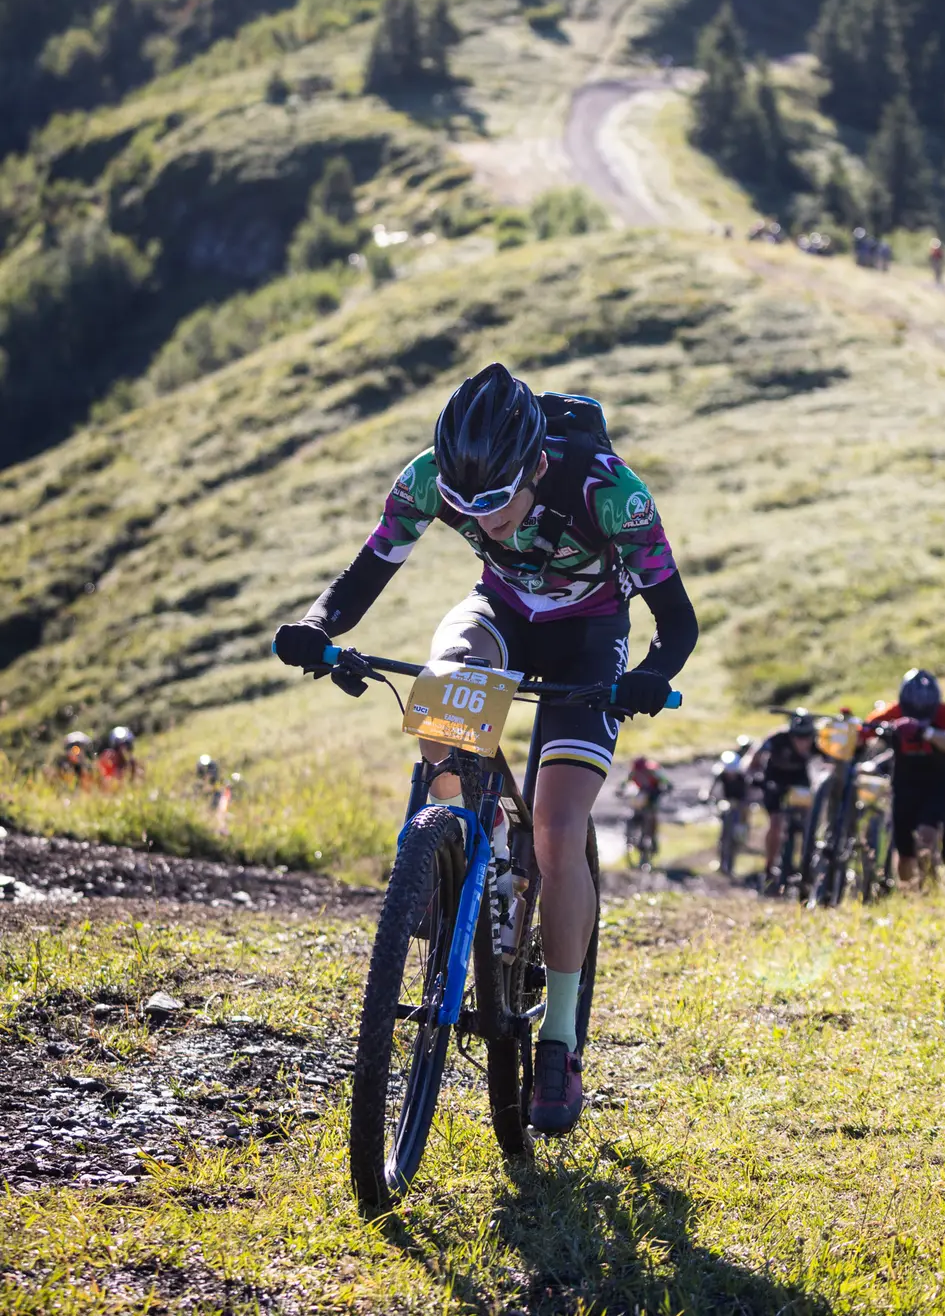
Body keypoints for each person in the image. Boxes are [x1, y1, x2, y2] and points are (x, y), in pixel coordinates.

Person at [272, 362, 698, 1137]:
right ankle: (450, 856)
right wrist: (318, 626)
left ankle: (562, 1039)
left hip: (589, 637)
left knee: (559, 831)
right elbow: (367, 570)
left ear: (535, 466)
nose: (483, 520)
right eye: (466, 509)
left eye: (497, 503)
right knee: (444, 688)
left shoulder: (611, 492)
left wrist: (650, 677)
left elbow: (678, 620)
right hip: (496, 613)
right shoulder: (431, 477)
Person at [859, 670, 945, 888]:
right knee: (905, 851)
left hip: (939, 784)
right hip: (904, 783)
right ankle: (910, 893)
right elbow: (864, 730)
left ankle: (929, 891)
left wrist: (926, 732)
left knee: (927, 837)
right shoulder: (893, 712)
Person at [747, 710, 818, 887]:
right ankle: (769, 867)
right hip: (774, 779)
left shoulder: (818, 741)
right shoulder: (777, 738)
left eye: (807, 737)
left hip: (799, 780)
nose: (802, 741)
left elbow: (829, 761)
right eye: (797, 736)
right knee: (776, 822)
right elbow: (754, 757)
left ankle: (808, 860)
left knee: (809, 819)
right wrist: (752, 774)